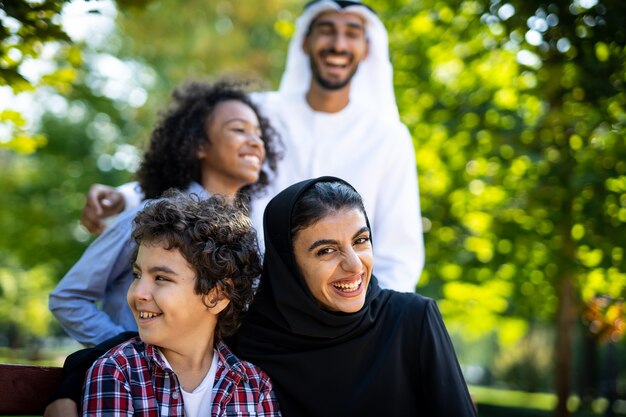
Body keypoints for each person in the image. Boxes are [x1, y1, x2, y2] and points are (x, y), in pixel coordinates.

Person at [80, 0, 424, 293]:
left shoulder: (388, 136)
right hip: (249, 302)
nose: (338, 44)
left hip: (346, 308)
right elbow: (200, 177)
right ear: (304, 41)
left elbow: (399, 252)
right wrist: (125, 196)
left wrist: (368, 320)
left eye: (352, 33)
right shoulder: (261, 113)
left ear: (367, 49)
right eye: (326, 30)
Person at [49, 80, 280, 347]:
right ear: (199, 145)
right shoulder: (152, 217)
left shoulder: (250, 234)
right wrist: (129, 350)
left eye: (259, 134)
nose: (255, 142)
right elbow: (68, 297)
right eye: (239, 129)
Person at [228, 176, 477, 417]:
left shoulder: (412, 320)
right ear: (287, 264)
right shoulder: (246, 343)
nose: (355, 265)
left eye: (360, 240)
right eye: (327, 250)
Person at [82, 192, 281, 416]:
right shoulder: (116, 373)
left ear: (216, 295)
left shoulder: (254, 386)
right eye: (137, 275)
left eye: (161, 278)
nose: (138, 293)